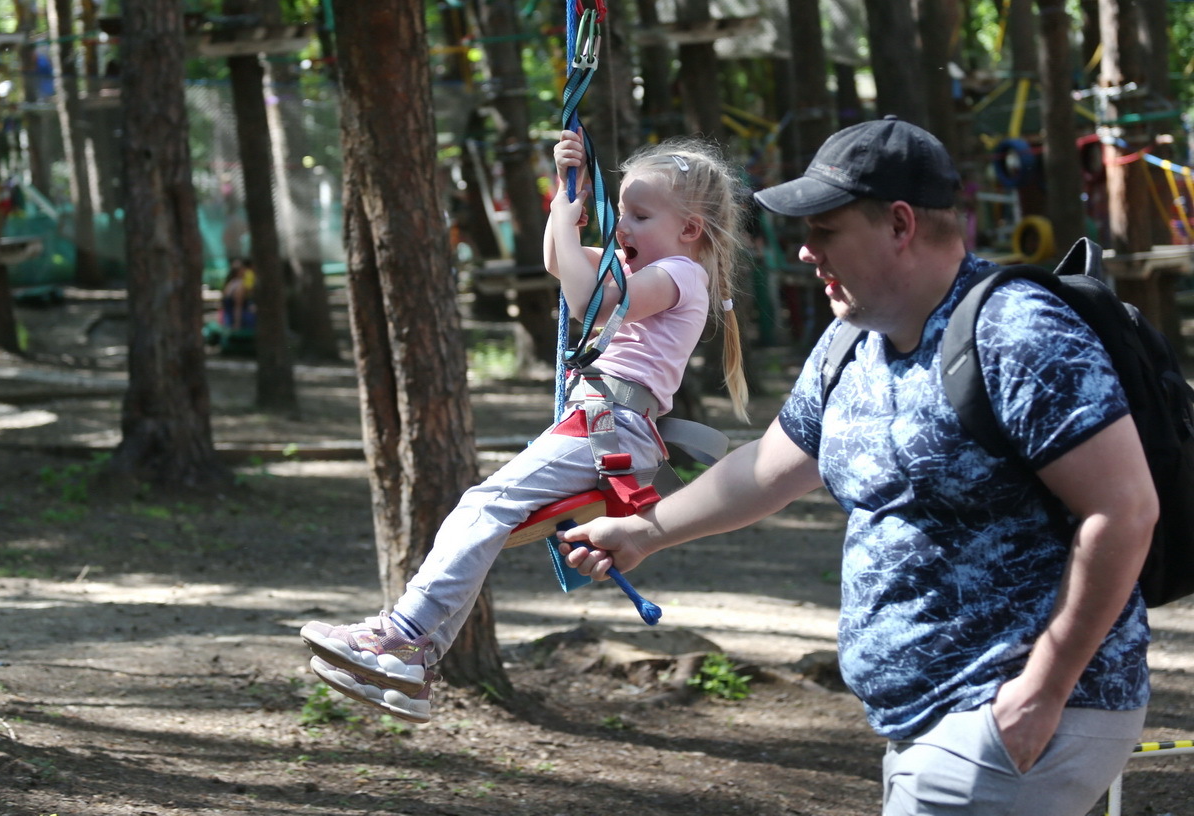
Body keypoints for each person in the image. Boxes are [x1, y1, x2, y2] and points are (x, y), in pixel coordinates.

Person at [558, 117, 1157, 816]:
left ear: (900, 224)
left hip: (1019, 709)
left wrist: (1042, 691)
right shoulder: (852, 341)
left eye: (827, 231)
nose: (806, 252)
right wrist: (644, 531)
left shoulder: (1018, 333)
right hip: (931, 721)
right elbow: (772, 467)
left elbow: (1124, 510)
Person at [299, 130, 750, 724]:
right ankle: (416, 662)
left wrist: (570, 221)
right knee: (486, 513)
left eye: (639, 216)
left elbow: (589, 301)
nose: (623, 229)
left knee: (482, 508)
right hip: (601, 423)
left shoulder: (680, 276)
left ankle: (401, 638)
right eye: (622, 213)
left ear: (690, 229)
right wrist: (567, 195)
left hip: (609, 426)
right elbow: (556, 264)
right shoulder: (650, 268)